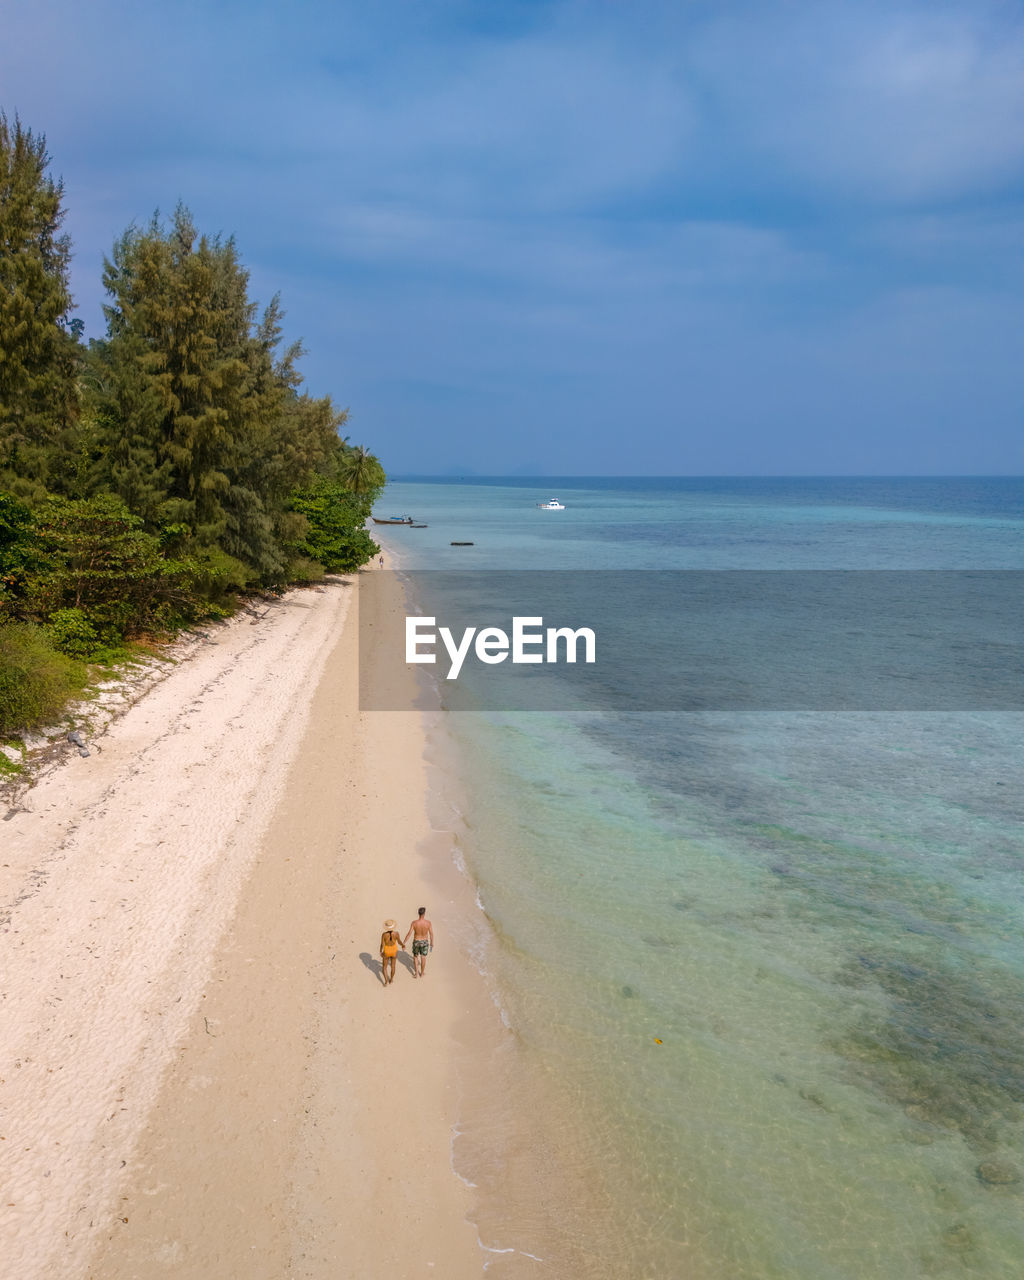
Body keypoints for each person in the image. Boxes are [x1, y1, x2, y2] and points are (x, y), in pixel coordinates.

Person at [403, 907, 434, 979]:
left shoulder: (414, 923)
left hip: (416, 941)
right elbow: (431, 934)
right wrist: (432, 943)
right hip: (424, 941)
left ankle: (416, 973)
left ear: (418, 913)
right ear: (424, 914)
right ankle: (422, 973)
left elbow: (409, 933)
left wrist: (404, 942)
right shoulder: (428, 923)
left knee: (415, 956)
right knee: (423, 957)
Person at [379, 918, 404, 986]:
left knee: (384, 967)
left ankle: (386, 981)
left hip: (387, 950)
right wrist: (403, 945)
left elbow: (382, 944)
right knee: (393, 966)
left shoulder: (384, 934)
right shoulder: (396, 933)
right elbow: (399, 942)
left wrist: (380, 951)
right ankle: (391, 979)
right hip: (394, 950)